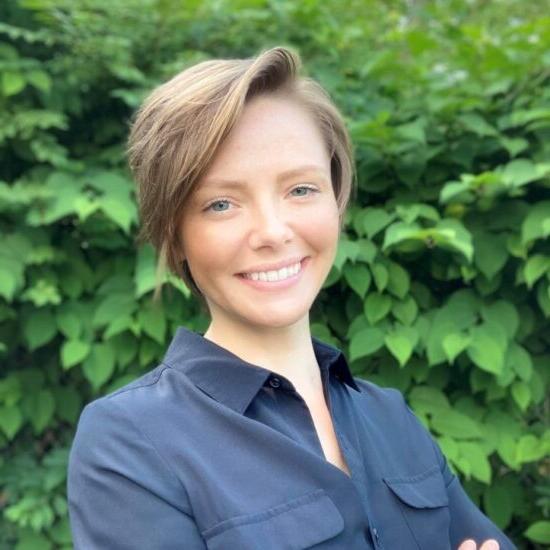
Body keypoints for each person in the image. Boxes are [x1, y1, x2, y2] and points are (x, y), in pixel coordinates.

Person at [67, 46, 516, 549]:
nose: (273, 231)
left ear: (337, 199)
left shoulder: (390, 415)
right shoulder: (130, 442)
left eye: (300, 190)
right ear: (175, 236)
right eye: (221, 204)